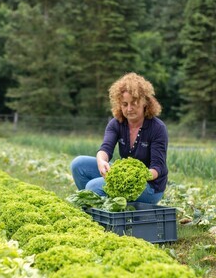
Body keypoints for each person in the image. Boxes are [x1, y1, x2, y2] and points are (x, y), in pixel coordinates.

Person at [71, 72, 169, 204]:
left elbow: (158, 168)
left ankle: (108, 210)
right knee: (79, 164)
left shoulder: (157, 128)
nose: (129, 109)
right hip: (126, 177)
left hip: (150, 187)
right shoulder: (117, 123)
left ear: (145, 102)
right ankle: (97, 210)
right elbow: (106, 148)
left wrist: (135, 176)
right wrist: (101, 161)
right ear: (119, 104)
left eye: (134, 103)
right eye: (125, 104)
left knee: (93, 187)